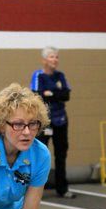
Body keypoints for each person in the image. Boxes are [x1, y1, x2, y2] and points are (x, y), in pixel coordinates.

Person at [30, 46, 75, 199]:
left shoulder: (61, 76)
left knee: (61, 154)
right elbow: (37, 95)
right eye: (51, 57)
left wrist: (51, 93)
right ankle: (35, 189)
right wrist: (54, 94)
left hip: (61, 119)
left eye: (56, 57)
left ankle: (62, 188)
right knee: (40, 153)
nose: (54, 59)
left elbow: (66, 95)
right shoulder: (38, 75)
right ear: (44, 60)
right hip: (44, 121)